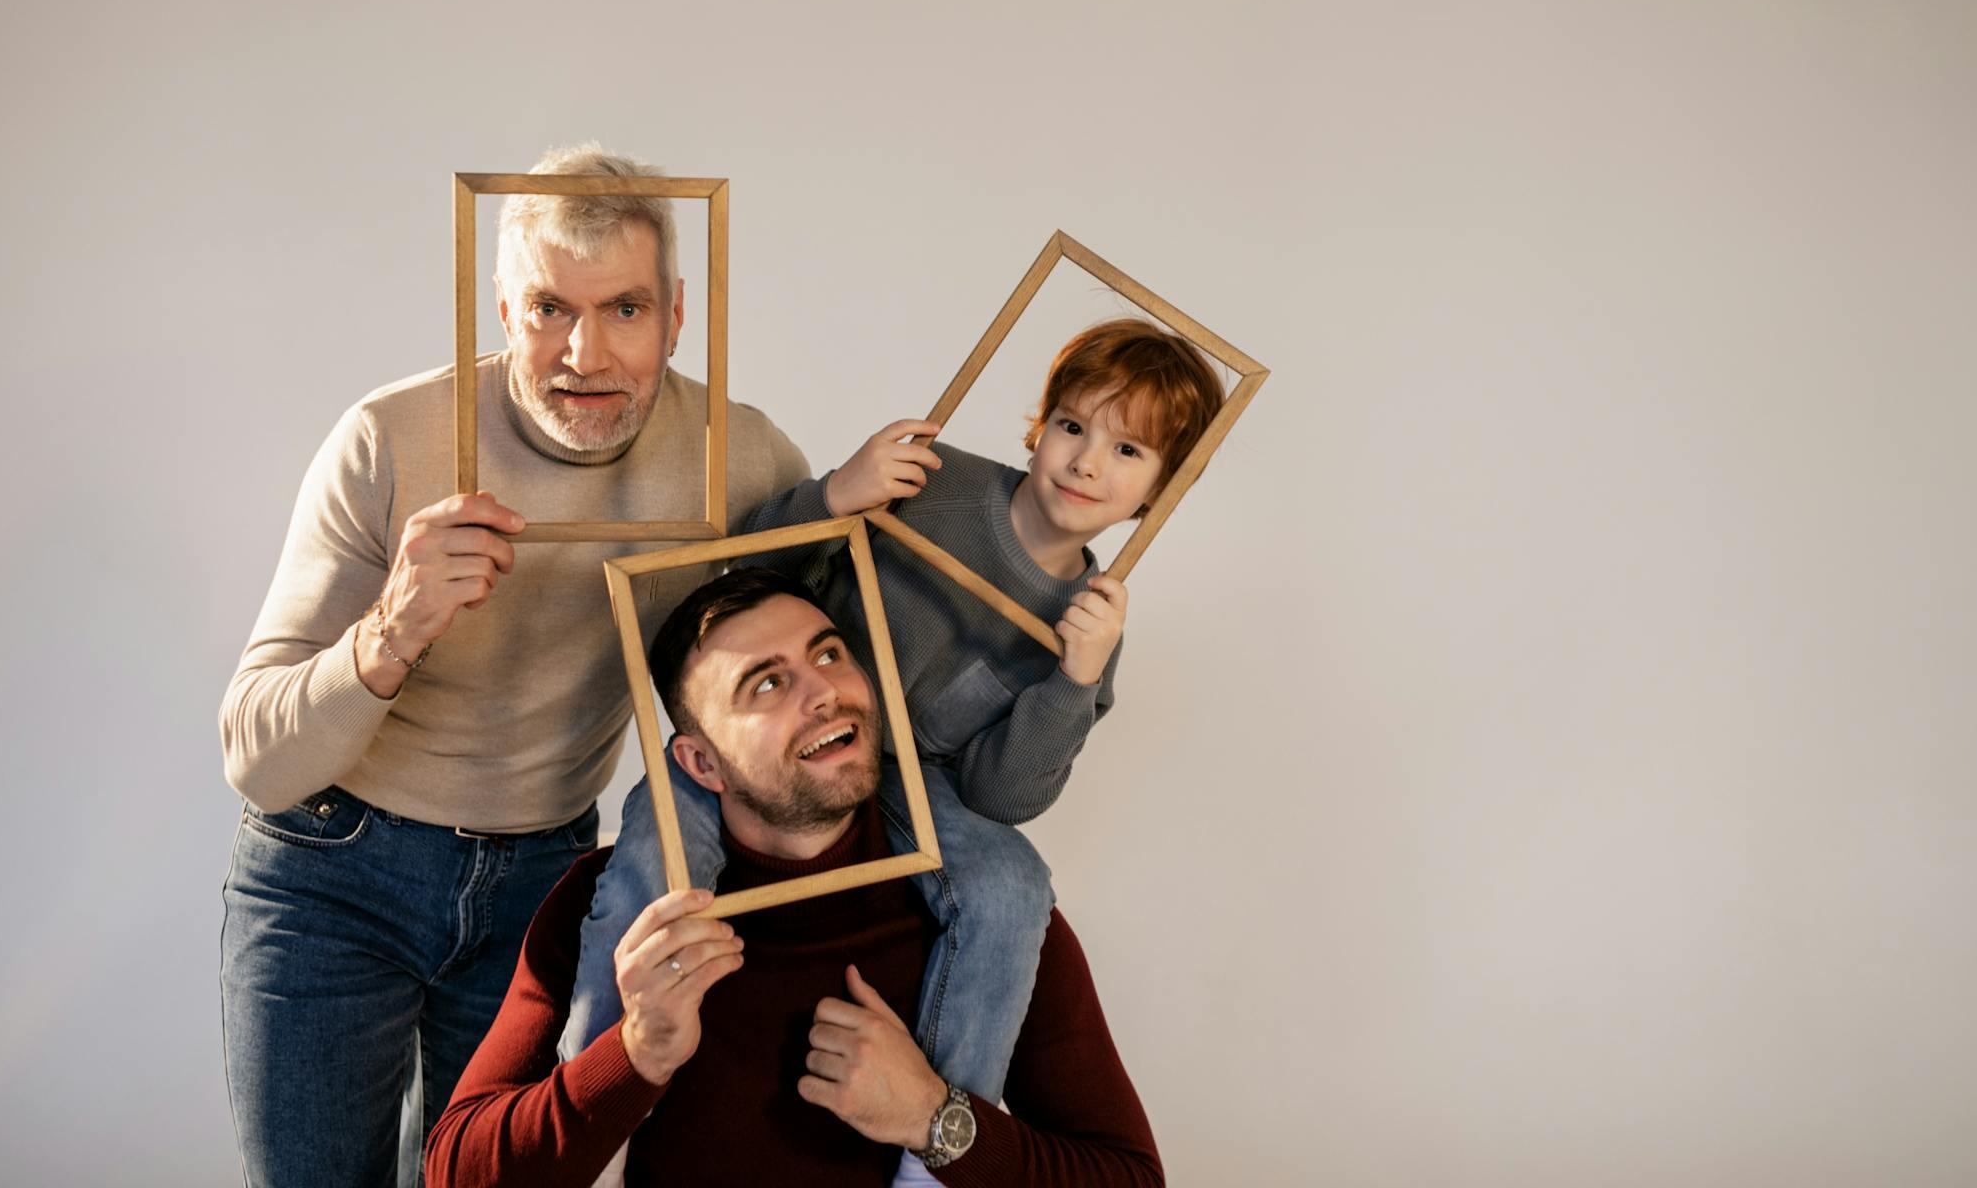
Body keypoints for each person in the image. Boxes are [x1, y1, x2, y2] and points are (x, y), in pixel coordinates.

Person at [218, 144, 811, 1188]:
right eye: (549, 309)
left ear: (676, 313)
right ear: (501, 313)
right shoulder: (392, 437)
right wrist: (390, 631)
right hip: (332, 870)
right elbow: (256, 760)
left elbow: (828, 669)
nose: (585, 351)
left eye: (624, 309)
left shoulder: (743, 458)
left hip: (546, 880)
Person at [557, 318, 1224, 1139]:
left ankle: (931, 1137)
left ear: (1165, 488)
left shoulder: (1091, 628)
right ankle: (594, 1101)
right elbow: (744, 580)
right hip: (774, 739)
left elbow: (1001, 795)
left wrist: (1073, 681)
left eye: (1129, 452)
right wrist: (836, 495)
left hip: (920, 782)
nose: (1087, 461)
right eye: (1074, 426)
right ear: (1041, 425)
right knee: (656, 845)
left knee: (1011, 885)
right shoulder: (936, 484)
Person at [425, 568, 1165, 1186]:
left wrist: (933, 1119)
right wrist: (635, 1055)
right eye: (767, 685)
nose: (824, 692)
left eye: (830, 654)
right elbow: (455, 1170)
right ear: (701, 764)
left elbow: (1130, 1176)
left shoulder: (979, 910)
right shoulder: (617, 907)